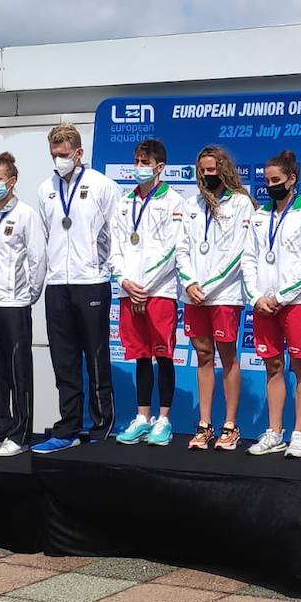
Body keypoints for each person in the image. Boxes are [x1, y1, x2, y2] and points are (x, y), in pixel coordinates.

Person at [32, 123, 122, 453]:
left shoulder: (102, 185)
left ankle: (101, 424)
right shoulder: (46, 189)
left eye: (64, 154)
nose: (59, 160)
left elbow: (117, 233)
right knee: (64, 360)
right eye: (54, 155)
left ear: (79, 153)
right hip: (57, 283)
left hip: (91, 281)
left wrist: (110, 271)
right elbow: (47, 235)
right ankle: (68, 425)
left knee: (96, 357)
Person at [242, 150, 301, 457]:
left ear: (292, 179)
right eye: (266, 181)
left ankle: (299, 434)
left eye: (276, 180)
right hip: (263, 305)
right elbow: (248, 259)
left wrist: (280, 297)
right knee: (273, 366)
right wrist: (256, 297)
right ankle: (274, 432)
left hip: (297, 303)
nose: (270, 186)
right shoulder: (258, 217)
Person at [178, 146, 254, 451]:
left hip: (224, 294)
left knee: (227, 356)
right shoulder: (191, 203)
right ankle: (204, 423)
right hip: (194, 294)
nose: (206, 175)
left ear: (224, 169)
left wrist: (207, 286)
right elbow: (181, 248)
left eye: (211, 169)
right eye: (202, 170)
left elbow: (240, 252)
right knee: (203, 356)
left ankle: (230, 424)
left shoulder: (241, 203)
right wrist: (189, 282)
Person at [0, 152, 47, 457]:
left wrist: (28, 295)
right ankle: (1, 427)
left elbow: (38, 259)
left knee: (18, 371)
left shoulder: (25, 214)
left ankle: (20, 432)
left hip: (13, 304)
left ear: (12, 181)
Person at [112, 138, 186, 446]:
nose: (139, 167)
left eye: (145, 162)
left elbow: (174, 249)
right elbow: (115, 247)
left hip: (160, 291)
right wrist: (124, 281)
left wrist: (146, 286)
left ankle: (163, 419)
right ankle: (142, 417)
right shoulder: (123, 202)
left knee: (163, 355)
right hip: (130, 291)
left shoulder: (174, 201)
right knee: (140, 356)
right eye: (137, 162)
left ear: (160, 167)